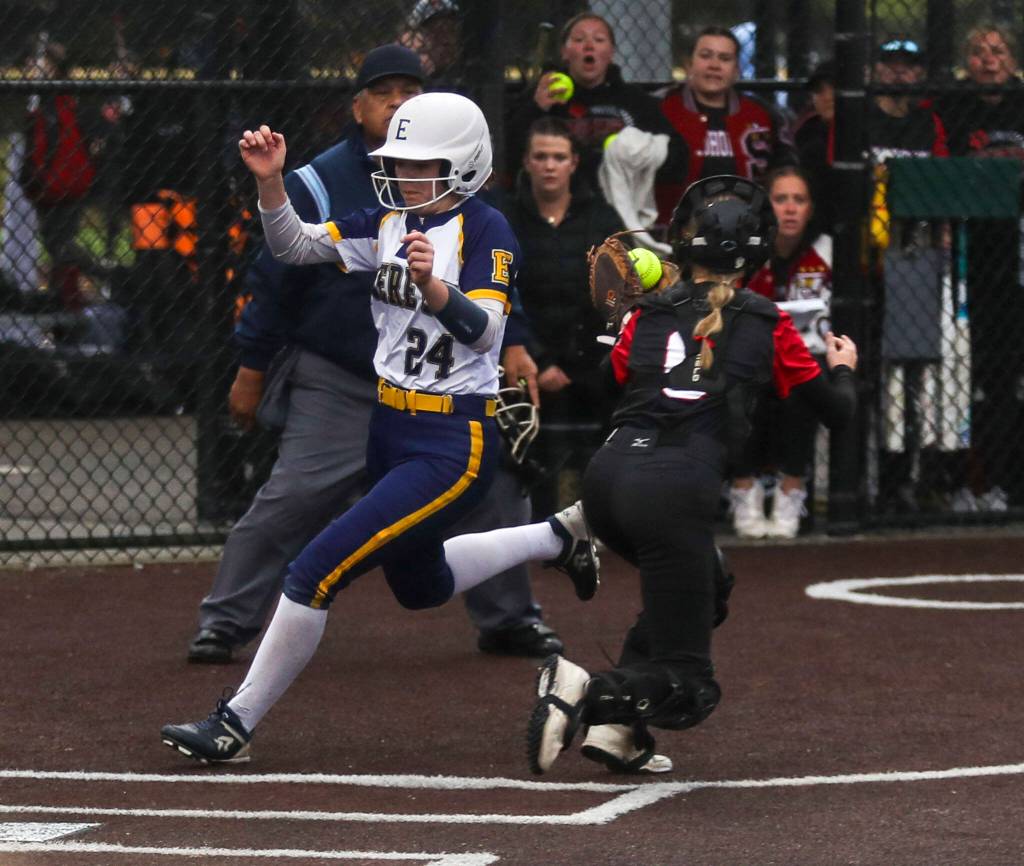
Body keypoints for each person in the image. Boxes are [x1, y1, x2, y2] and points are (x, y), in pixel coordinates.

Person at [160, 91, 601, 765]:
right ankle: (555, 535)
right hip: (389, 427)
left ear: (463, 166)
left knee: (313, 571)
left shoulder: (486, 229)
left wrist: (434, 291)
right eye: (398, 162)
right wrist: (274, 185)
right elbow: (295, 246)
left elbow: (485, 333)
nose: (402, 176)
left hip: (452, 439)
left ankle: (234, 723)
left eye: (421, 164)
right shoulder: (391, 220)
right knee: (418, 586)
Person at [188, 45, 562, 666]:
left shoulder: (471, 207)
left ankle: (511, 617)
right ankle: (225, 622)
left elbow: (489, 291)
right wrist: (252, 366)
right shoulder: (332, 181)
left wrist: (509, 336)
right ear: (356, 105)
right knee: (296, 494)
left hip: (445, 393)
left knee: (494, 487)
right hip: (342, 376)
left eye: (409, 91)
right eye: (383, 92)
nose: (398, 103)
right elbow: (281, 266)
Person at [525, 175, 858, 775]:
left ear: (683, 243)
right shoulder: (767, 320)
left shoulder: (647, 312)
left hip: (607, 481)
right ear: (754, 253)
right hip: (673, 490)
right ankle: (587, 687)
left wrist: (609, 326)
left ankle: (616, 728)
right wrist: (842, 366)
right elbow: (838, 414)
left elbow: (602, 385)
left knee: (711, 583)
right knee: (692, 686)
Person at [503, 117, 624, 513]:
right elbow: (501, 292)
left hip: (589, 362)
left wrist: (572, 364)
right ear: (527, 162)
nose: (550, 165)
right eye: (541, 156)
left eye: (559, 157)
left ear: (574, 163)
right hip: (520, 361)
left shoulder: (603, 220)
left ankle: (596, 516)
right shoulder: (504, 218)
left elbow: (616, 299)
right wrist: (539, 359)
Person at [934, 24, 1024, 512]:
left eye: (999, 51)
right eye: (980, 52)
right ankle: (961, 481)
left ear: (1011, 61)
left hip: (1016, 251)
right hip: (971, 255)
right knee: (966, 369)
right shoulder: (951, 105)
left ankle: (1007, 482)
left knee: (1006, 373)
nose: (990, 60)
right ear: (968, 62)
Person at [731, 166, 833, 538]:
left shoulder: (828, 251)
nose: (790, 209)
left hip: (806, 358)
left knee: (803, 382)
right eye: (780, 199)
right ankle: (744, 489)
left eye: (799, 200)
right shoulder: (743, 250)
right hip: (749, 358)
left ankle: (792, 490)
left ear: (810, 208)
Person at [506, 12, 673, 197]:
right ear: (564, 52)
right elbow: (510, 157)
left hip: (617, 207)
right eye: (579, 39)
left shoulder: (634, 100)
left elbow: (675, 160)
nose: (589, 46)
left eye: (599, 39)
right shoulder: (543, 95)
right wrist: (536, 107)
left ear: (611, 53)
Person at [656, 26, 796, 224]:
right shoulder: (660, 108)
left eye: (724, 58)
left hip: (748, 234)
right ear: (689, 64)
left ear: (737, 69)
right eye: (706, 55)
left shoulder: (763, 115)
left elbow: (787, 172)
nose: (714, 65)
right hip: (668, 234)